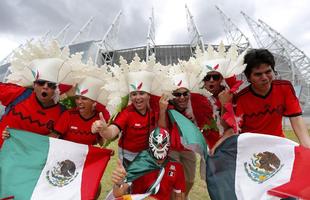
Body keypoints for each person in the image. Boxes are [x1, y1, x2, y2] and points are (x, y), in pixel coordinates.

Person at [92, 55, 160, 168]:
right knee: (123, 184)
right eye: (134, 94)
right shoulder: (127, 113)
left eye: (141, 93)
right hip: (127, 156)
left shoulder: (153, 111)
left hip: (145, 154)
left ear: (149, 95)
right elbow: (112, 132)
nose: (137, 97)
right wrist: (103, 130)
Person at [234, 48, 310, 147]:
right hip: (251, 148)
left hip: (278, 144)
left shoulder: (285, 88)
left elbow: (296, 119)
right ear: (248, 77)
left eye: (268, 72)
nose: (264, 77)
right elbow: (235, 131)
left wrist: (307, 148)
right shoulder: (240, 99)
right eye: (258, 74)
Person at [0, 56, 73, 145]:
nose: (45, 86)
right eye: (41, 82)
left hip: (26, 157)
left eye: (51, 85)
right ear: (34, 85)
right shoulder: (19, 94)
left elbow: (56, 139)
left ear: (57, 90)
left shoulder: (62, 113)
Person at [111, 127, 186, 200]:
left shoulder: (176, 167)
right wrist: (118, 184)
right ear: (150, 143)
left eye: (163, 143)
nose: (160, 147)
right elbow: (118, 194)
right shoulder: (140, 163)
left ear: (168, 143)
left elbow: (179, 196)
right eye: (156, 143)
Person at [54, 76, 110, 145]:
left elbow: (102, 144)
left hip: (85, 154)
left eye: (84, 98)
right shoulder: (68, 115)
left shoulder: (99, 118)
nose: (79, 102)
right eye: (77, 98)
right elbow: (54, 137)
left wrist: (103, 131)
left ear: (93, 101)